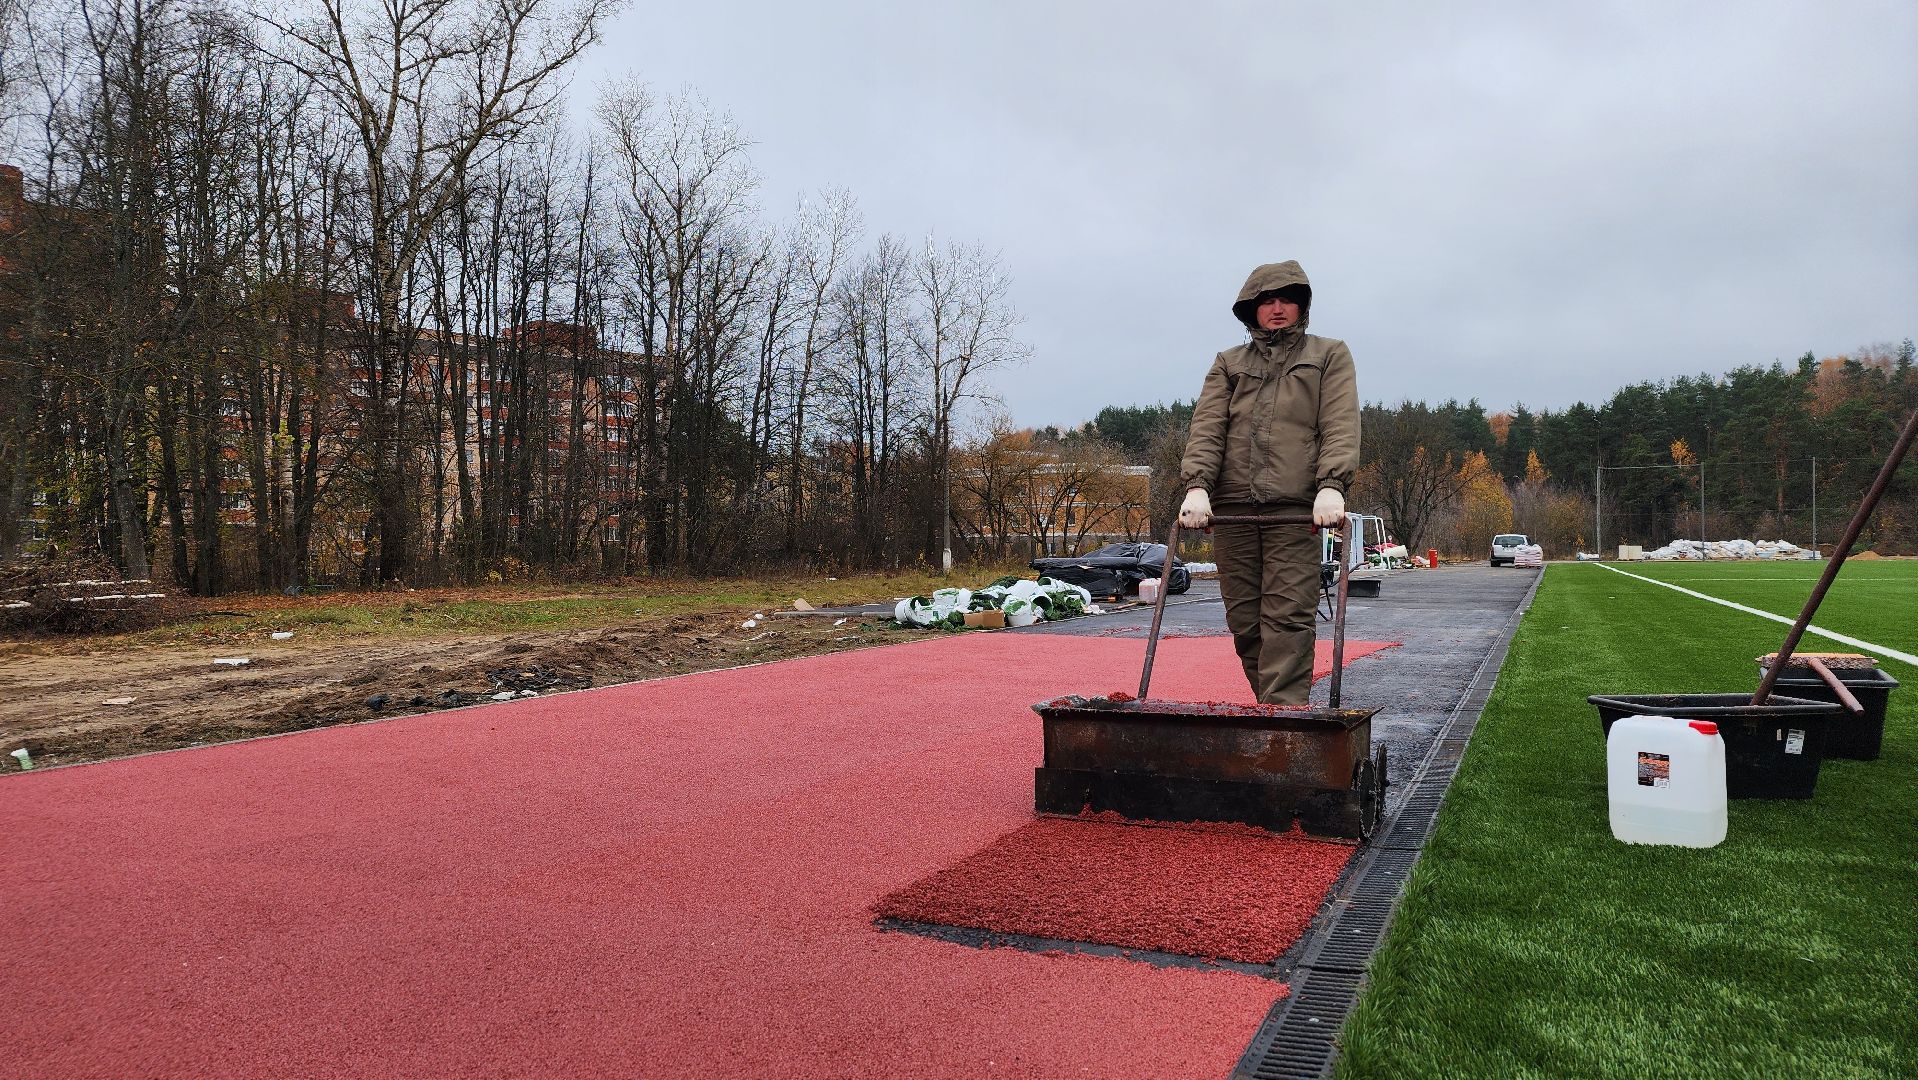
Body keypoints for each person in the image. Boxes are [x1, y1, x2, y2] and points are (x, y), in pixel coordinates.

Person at [1177, 261, 1360, 705]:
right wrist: (1197, 485)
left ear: (1302, 306)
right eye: (1267, 301)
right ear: (1251, 310)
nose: (1277, 309)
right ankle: (1274, 712)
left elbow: (1339, 422)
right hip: (1233, 511)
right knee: (1245, 621)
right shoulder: (1229, 363)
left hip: (1295, 511)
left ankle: (1285, 719)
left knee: (1288, 616)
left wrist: (1332, 484)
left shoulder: (1328, 355)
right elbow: (1207, 428)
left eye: (1287, 300)